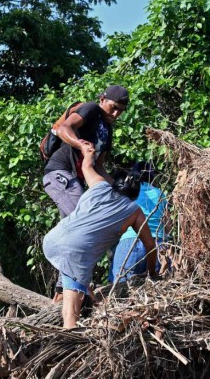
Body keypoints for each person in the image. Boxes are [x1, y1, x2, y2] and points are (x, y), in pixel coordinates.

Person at [42, 142, 157, 329]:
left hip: (53, 239)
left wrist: (88, 152)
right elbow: (150, 246)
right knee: (71, 315)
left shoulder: (99, 185)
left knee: (74, 283)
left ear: (114, 183)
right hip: (75, 254)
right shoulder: (134, 211)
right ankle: (68, 346)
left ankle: (82, 292)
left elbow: (87, 165)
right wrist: (152, 273)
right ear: (134, 194)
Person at [42, 85, 129, 300]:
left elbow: (99, 167)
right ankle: (81, 287)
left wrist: (119, 191)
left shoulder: (107, 131)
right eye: (113, 107)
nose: (115, 113)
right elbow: (64, 129)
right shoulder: (91, 110)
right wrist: (80, 145)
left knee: (73, 234)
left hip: (77, 182)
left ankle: (62, 293)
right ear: (102, 99)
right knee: (84, 223)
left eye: (121, 111)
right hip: (60, 173)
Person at [109, 161, 169, 283]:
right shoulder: (160, 193)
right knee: (156, 288)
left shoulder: (130, 190)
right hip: (158, 244)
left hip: (132, 241)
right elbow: (167, 224)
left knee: (122, 289)